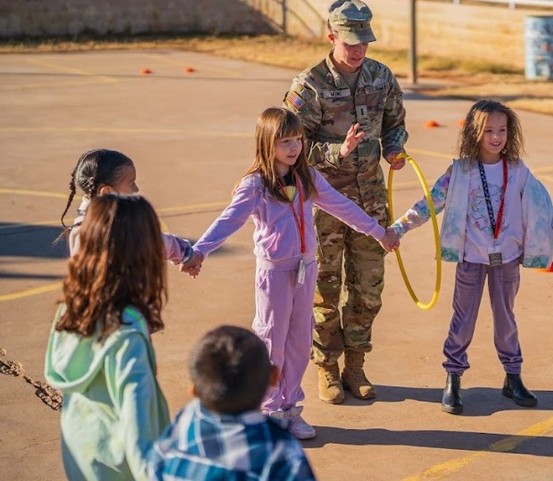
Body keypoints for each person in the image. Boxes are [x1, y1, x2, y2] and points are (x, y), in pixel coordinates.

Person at [186, 107, 398, 440]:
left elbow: (342, 206)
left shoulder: (307, 177)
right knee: (272, 342)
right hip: (273, 273)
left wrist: (377, 231)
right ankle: (268, 410)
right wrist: (200, 250)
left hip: (306, 269)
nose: (294, 147)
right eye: (285, 141)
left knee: (300, 341)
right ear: (267, 143)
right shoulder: (254, 185)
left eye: (297, 139)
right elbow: (229, 220)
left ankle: (289, 409)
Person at [388, 99, 553, 414]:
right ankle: (453, 377)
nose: (496, 136)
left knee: (506, 319)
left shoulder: (517, 171)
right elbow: (429, 205)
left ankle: (513, 376)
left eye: (502, 130)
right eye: (488, 130)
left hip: (506, 259)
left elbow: (545, 209)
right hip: (471, 259)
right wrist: (398, 229)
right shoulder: (460, 171)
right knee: (463, 319)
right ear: (474, 133)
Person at [282, 0, 408, 404]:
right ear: (331, 36)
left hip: (370, 202)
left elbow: (396, 123)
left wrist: (394, 148)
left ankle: (356, 365)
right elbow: (290, 149)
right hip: (324, 205)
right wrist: (339, 152)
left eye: (364, 43)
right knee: (324, 290)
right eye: (350, 42)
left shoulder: (381, 76)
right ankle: (326, 368)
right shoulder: (309, 85)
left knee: (368, 287)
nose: (357, 51)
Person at [44, 194, 172, 480]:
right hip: (122, 470)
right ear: (144, 256)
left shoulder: (72, 310)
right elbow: (138, 430)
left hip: (82, 458)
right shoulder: (127, 337)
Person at [147, 325, 316, 480]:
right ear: (274, 377)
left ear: (193, 391)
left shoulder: (181, 426)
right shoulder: (282, 452)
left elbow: (154, 466)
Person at [59, 148, 199, 269]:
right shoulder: (118, 227)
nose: (136, 189)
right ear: (107, 192)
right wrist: (185, 253)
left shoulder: (80, 227)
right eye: (131, 184)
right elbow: (153, 241)